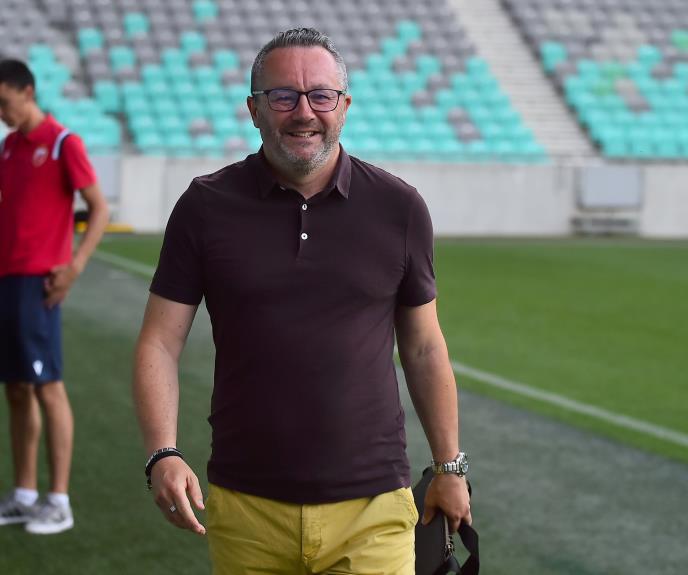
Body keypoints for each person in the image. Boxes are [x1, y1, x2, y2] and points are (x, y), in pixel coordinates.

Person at [133, 28, 471, 573]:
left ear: (344, 107)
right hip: (247, 508)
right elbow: (159, 341)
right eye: (283, 96)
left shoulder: (399, 207)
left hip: (373, 508)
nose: (304, 112)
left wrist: (449, 468)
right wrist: (162, 451)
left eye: (321, 95)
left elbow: (425, 347)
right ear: (254, 110)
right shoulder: (204, 206)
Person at [0, 59, 109, 534]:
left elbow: (99, 209)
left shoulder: (64, 142)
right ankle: (25, 495)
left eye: (4, 102)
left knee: (47, 386)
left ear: (28, 92)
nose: (1, 113)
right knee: (16, 388)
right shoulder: (8, 148)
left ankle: (59, 501)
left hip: (39, 284)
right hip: (6, 280)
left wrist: (74, 266)